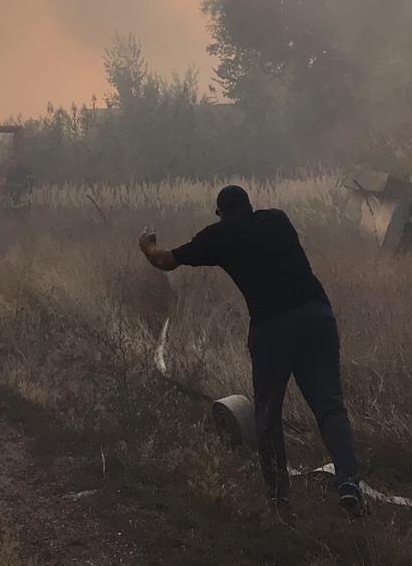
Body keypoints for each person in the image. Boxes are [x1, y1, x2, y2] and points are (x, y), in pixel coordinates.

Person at [137, 185, 363, 516]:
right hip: (317, 316)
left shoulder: (219, 236)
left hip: (272, 327)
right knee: (329, 406)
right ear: (250, 205)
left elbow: (165, 261)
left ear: (220, 212)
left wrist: (147, 245)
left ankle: (280, 501)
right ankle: (349, 483)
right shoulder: (278, 219)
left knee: (268, 414)